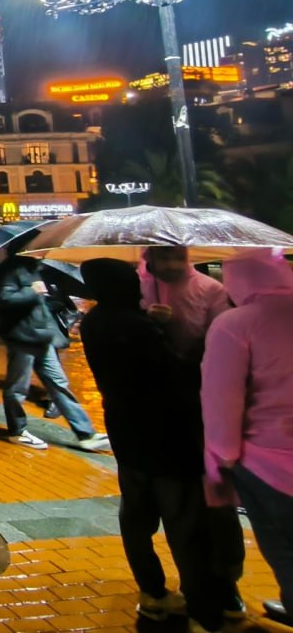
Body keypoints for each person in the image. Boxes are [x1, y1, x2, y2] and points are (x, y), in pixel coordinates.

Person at [80, 259, 237, 633]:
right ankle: (203, 612)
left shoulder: (92, 322)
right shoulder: (140, 328)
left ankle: (152, 594)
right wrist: (164, 331)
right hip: (168, 439)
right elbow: (173, 378)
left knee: (136, 520)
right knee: (184, 526)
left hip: (125, 434)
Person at [203, 251, 293, 628]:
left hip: (268, 465)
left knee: (285, 549)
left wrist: (220, 458)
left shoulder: (235, 324)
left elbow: (222, 398)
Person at [0, 254, 108, 452]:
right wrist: (33, 292)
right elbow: (4, 298)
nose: (41, 252)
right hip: (22, 338)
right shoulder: (7, 270)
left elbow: (40, 302)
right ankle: (17, 431)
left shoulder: (36, 268)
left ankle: (86, 434)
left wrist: (49, 303)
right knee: (17, 387)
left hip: (42, 337)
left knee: (59, 384)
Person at [141, 246, 231, 362]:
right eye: (164, 258)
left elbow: (220, 334)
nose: (172, 265)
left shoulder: (211, 288)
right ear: (148, 256)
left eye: (180, 258)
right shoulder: (137, 284)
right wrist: (148, 319)